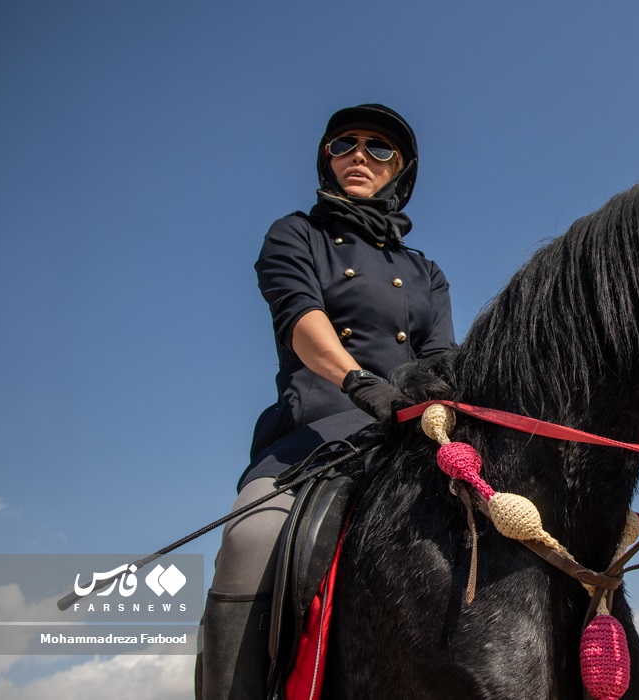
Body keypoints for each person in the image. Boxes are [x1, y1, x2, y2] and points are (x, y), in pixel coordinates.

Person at [196, 103, 456, 699]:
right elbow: (301, 321)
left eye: (379, 148)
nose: (360, 154)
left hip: (411, 435)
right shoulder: (295, 234)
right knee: (249, 541)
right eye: (345, 143)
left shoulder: (426, 271)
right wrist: (361, 382)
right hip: (316, 437)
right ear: (327, 158)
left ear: (402, 171)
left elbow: (442, 356)